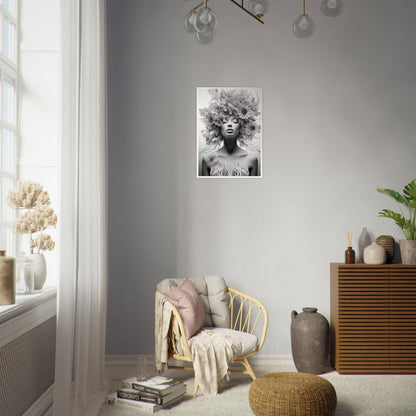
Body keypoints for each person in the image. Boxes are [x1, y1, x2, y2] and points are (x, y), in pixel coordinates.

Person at [199, 89, 261, 177]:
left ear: (242, 127)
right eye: (224, 121)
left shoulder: (252, 159)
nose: (229, 125)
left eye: (235, 121)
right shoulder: (207, 160)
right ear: (218, 126)